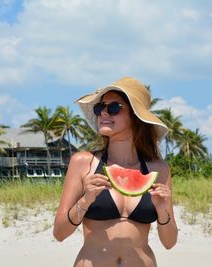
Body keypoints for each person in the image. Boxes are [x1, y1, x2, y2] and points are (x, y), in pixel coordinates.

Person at [53, 77, 178, 266]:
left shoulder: (158, 169)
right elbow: (59, 233)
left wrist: (162, 210)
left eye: (113, 108)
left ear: (136, 117)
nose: (103, 112)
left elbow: (169, 242)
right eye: (99, 108)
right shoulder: (83, 163)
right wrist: (85, 201)